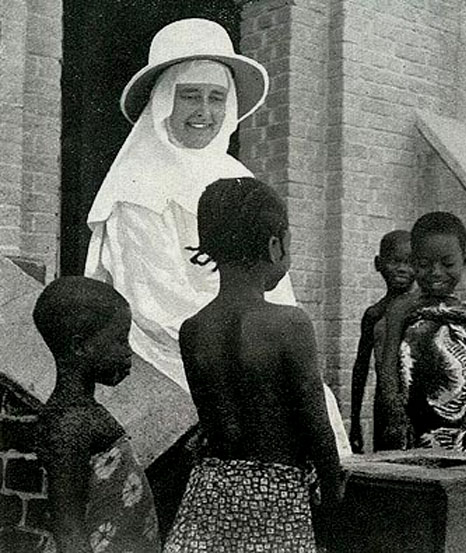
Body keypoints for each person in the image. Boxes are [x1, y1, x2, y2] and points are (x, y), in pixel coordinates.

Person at [84, 18, 295, 392]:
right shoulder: (138, 183)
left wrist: (276, 344)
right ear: (165, 100)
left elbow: (273, 280)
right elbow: (156, 306)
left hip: (246, 342)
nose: (204, 111)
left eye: (216, 98)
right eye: (189, 95)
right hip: (171, 356)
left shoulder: (237, 175)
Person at [163, 177, 344, 552]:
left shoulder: (193, 329)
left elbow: (216, 424)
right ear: (275, 246)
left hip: (210, 492)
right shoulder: (290, 324)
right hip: (275, 498)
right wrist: (332, 488)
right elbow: (315, 419)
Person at [35, 277, 161, 553]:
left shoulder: (80, 414)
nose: (128, 351)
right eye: (119, 340)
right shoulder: (71, 422)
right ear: (80, 346)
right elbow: (68, 528)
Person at [379, 212, 466, 452]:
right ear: (413, 262)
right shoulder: (402, 308)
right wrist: (395, 416)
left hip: (464, 429)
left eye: (447, 264)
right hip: (414, 422)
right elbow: (388, 363)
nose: (436, 272)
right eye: (424, 264)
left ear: (465, 261)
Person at [349, 230, 415, 453]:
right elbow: (361, 368)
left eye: (410, 262)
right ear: (379, 263)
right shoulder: (374, 314)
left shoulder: (420, 310)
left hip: (417, 402)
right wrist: (355, 421)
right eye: (395, 261)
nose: (402, 269)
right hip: (384, 405)